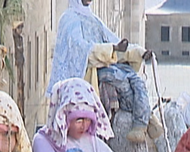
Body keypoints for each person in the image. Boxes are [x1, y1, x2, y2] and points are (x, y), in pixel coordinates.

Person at [48, 0, 154, 142]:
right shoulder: (68, 19)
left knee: (135, 79)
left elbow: (114, 41)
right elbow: (81, 50)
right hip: (88, 74)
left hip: (106, 65)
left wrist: (139, 52)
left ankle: (144, 121)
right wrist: (111, 49)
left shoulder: (93, 19)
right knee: (120, 80)